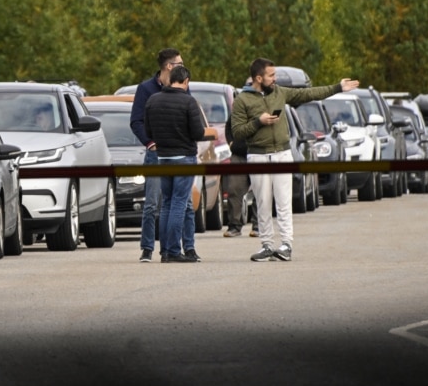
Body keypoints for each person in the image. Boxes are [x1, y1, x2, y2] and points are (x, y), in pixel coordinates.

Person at [229, 58, 358, 262]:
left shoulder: (280, 92)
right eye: (271, 75)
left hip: (282, 153)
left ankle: (286, 244)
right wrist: (258, 122)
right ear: (258, 78)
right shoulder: (243, 100)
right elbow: (237, 132)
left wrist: (338, 87)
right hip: (257, 155)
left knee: (283, 201)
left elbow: (308, 94)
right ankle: (267, 245)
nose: (275, 79)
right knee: (262, 202)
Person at [129, 48, 196, 262]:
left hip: (178, 150)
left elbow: (187, 116)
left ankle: (189, 246)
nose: (183, 66)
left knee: (184, 204)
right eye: (180, 63)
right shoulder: (146, 89)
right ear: (169, 66)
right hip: (157, 153)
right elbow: (137, 121)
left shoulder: (184, 87)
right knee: (152, 203)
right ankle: (148, 248)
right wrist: (150, 142)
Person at [143, 65, 208, 263]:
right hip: (184, 158)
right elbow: (198, 133)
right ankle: (173, 250)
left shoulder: (153, 100)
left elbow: (148, 130)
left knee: (167, 204)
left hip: (162, 157)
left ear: (170, 79)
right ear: (186, 81)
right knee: (180, 202)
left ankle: (164, 251)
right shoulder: (189, 102)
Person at [223, 80, 257, 238]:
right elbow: (228, 127)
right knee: (234, 190)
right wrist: (231, 143)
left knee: (260, 191)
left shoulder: (264, 106)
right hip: (239, 155)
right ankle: (234, 226)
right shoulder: (238, 106)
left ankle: (257, 225)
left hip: (258, 154)